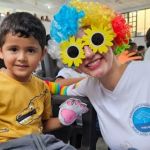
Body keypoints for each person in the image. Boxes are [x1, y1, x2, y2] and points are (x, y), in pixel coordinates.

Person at [46, 0, 150, 149]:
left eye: (95, 40)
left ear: (112, 40)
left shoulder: (146, 73)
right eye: (77, 50)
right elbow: (59, 89)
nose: (88, 54)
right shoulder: (89, 86)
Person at [0, 12, 88, 149]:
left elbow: (42, 124)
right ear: (1, 51)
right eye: (13, 49)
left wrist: (63, 120)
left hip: (40, 141)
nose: (22, 57)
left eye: (30, 50)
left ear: (42, 54)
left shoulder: (42, 87)